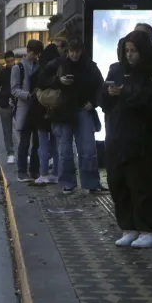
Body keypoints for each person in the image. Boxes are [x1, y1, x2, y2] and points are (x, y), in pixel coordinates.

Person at [102, 31, 152, 248]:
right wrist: (108, 94)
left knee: (141, 186)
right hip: (116, 136)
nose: (130, 55)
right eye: (127, 51)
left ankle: (149, 229)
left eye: (134, 51)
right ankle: (128, 227)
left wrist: (126, 93)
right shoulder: (116, 69)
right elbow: (102, 97)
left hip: (142, 138)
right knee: (117, 184)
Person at [39, 36, 105, 194]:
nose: (74, 55)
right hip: (63, 110)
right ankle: (68, 183)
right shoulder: (58, 63)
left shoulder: (89, 66)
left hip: (82, 109)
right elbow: (41, 80)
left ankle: (90, 182)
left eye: (77, 52)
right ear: (67, 51)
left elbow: (99, 86)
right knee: (65, 151)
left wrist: (93, 102)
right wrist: (58, 81)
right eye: (72, 51)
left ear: (81, 51)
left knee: (88, 149)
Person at [12, 40, 47, 183]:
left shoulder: (39, 66)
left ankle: (34, 170)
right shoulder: (18, 68)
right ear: (28, 51)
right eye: (33, 53)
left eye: (37, 54)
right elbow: (14, 89)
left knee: (37, 142)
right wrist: (27, 95)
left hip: (37, 109)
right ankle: (21, 172)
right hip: (25, 109)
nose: (34, 56)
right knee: (24, 142)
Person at [0, 51, 17, 163]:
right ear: (5, 62)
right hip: (5, 104)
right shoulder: (2, 73)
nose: (10, 63)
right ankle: (10, 153)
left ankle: (24, 153)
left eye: (12, 60)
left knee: (22, 129)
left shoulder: (19, 70)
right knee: (7, 130)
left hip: (19, 103)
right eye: (8, 61)